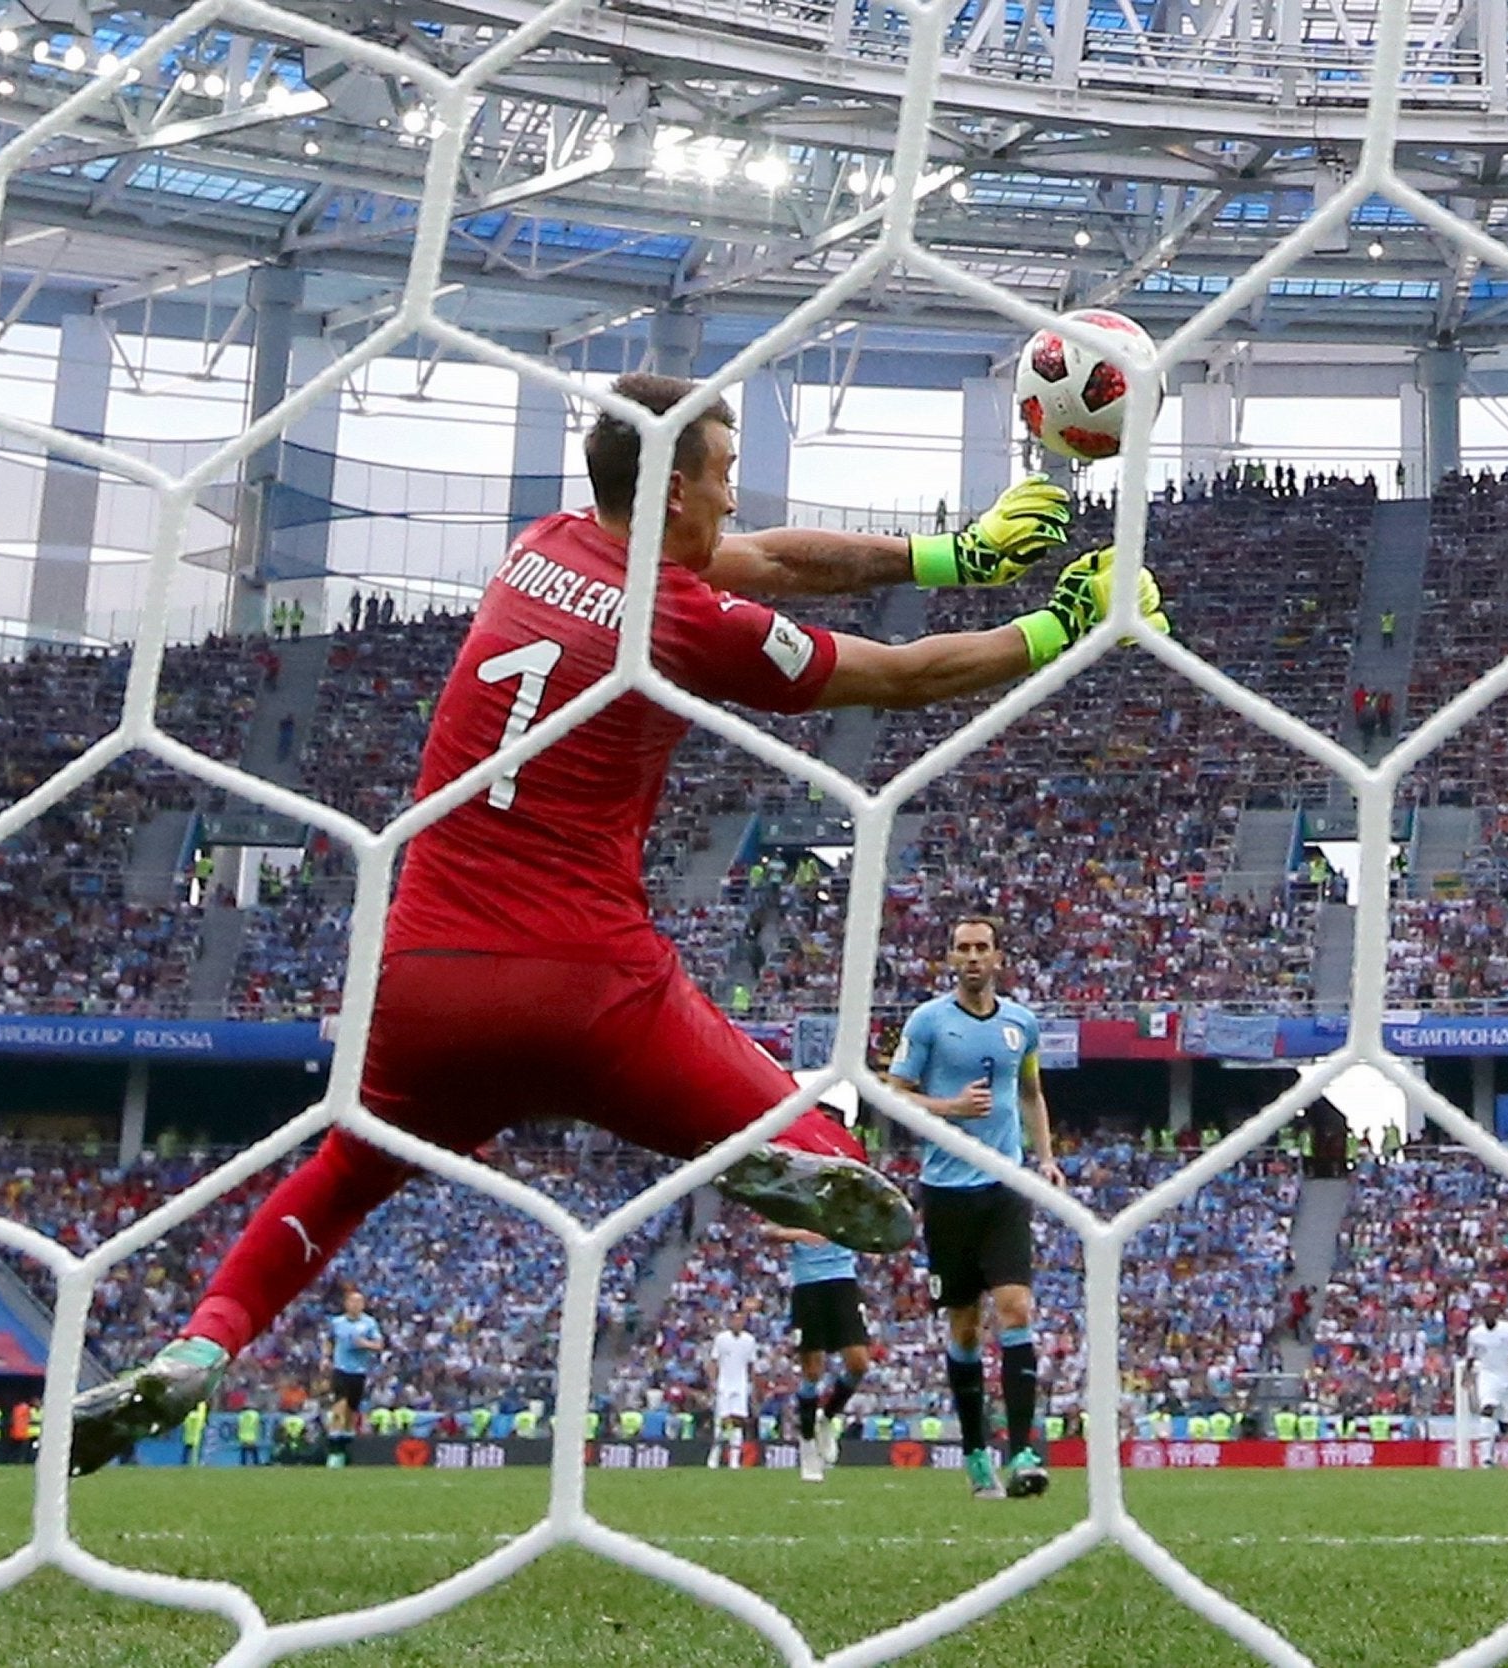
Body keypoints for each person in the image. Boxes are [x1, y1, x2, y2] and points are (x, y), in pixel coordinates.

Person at [67, 372, 1168, 1477]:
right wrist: (1066, 623)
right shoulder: (678, 618)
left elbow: (774, 561)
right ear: (678, 486)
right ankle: (776, 1160)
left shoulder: (540, 542)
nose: (735, 502)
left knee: (346, 1170)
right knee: (820, 1148)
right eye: (725, 478)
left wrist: (949, 560)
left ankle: (202, 1344)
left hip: (425, 978)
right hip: (586, 985)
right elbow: (899, 678)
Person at [886, 916, 1063, 1502]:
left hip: (1004, 1187)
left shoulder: (1021, 1023)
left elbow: (1031, 1093)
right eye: (962, 948)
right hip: (946, 1193)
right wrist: (951, 1107)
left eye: (981, 948)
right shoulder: (929, 1022)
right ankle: (975, 1452)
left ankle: (1025, 1452)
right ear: (950, 958)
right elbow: (895, 1093)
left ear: (998, 957)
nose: (971, 957)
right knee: (964, 1326)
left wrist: (1046, 1158)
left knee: (1016, 1308)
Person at [765, 1224, 871, 1484]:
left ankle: (828, 1417)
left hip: (843, 1282)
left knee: (859, 1364)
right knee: (812, 1370)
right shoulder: (797, 1201)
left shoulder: (844, 1197)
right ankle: (808, 1443)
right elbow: (766, 1231)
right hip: (808, 1286)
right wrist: (797, 1234)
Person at [325, 1289, 383, 1468]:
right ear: (346, 1304)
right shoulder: (337, 1322)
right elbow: (329, 1340)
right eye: (353, 1302)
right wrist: (325, 1357)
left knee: (351, 1413)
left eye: (360, 1302)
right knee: (339, 1406)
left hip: (358, 1372)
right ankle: (333, 1452)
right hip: (340, 1369)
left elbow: (379, 1345)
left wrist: (365, 1344)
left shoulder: (369, 1323)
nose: (356, 1305)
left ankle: (344, 1450)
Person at [1463, 1301, 1508, 1468]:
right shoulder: (1475, 1334)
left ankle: (1494, 1441)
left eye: (1493, 1311)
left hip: (1505, 1376)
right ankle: (1485, 1458)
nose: (1489, 1315)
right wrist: (1467, 1376)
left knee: (1505, 1424)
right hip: (1486, 1375)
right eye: (1486, 1312)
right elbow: (1471, 1357)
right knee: (1487, 1409)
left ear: (1498, 1313)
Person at [707, 1310, 760, 1470]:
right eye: (736, 1320)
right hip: (724, 1384)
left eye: (741, 1320)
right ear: (730, 1321)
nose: (738, 1323)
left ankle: (734, 1460)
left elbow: (752, 1365)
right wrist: (713, 1381)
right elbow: (714, 1361)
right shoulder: (721, 1339)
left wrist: (753, 1386)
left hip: (740, 1385)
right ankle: (714, 1458)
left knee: (738, 1422)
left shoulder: (749, 1340)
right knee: (721, 1422)